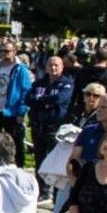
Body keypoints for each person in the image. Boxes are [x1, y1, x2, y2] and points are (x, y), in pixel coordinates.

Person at [28, 54, 73, 197]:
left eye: (56, 65)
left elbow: (59, 99)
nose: (53, 68)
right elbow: (28, 99)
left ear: (62, 67)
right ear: (46, 67)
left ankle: (54, 192)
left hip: (55, 129)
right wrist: (47, 102)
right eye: (50, 65)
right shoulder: (39, 83)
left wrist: (40, 100)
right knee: (39, 160)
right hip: (38, 126)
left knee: (54, 161)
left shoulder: (67, 83)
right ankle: (42, 190)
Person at [0, 42, 33, 168]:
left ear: (14, 52)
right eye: (2, 51)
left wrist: (21, 112)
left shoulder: (20, 69)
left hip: (12, 111)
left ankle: (19, 166)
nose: (4, 54)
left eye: (7, 51)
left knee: (15, 141)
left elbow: (26, 91)